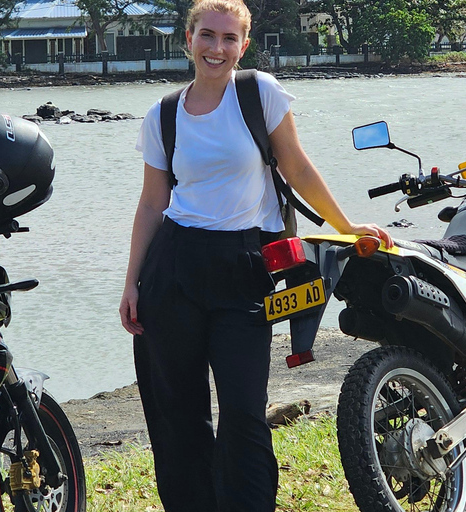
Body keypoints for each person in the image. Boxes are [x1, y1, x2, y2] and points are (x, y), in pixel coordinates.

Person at [118, 0, 393, 510]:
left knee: (244, 411)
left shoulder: (258, 93)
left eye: (228, 38)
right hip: (173, 268)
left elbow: (298, 169)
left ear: (244, 45)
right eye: (206, 35)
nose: (216, 48)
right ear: (188, 39)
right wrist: (132, 281)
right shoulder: (163, 114)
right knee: (177, 414)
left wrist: (346, 226)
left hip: (246, 266)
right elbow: (153, 202)